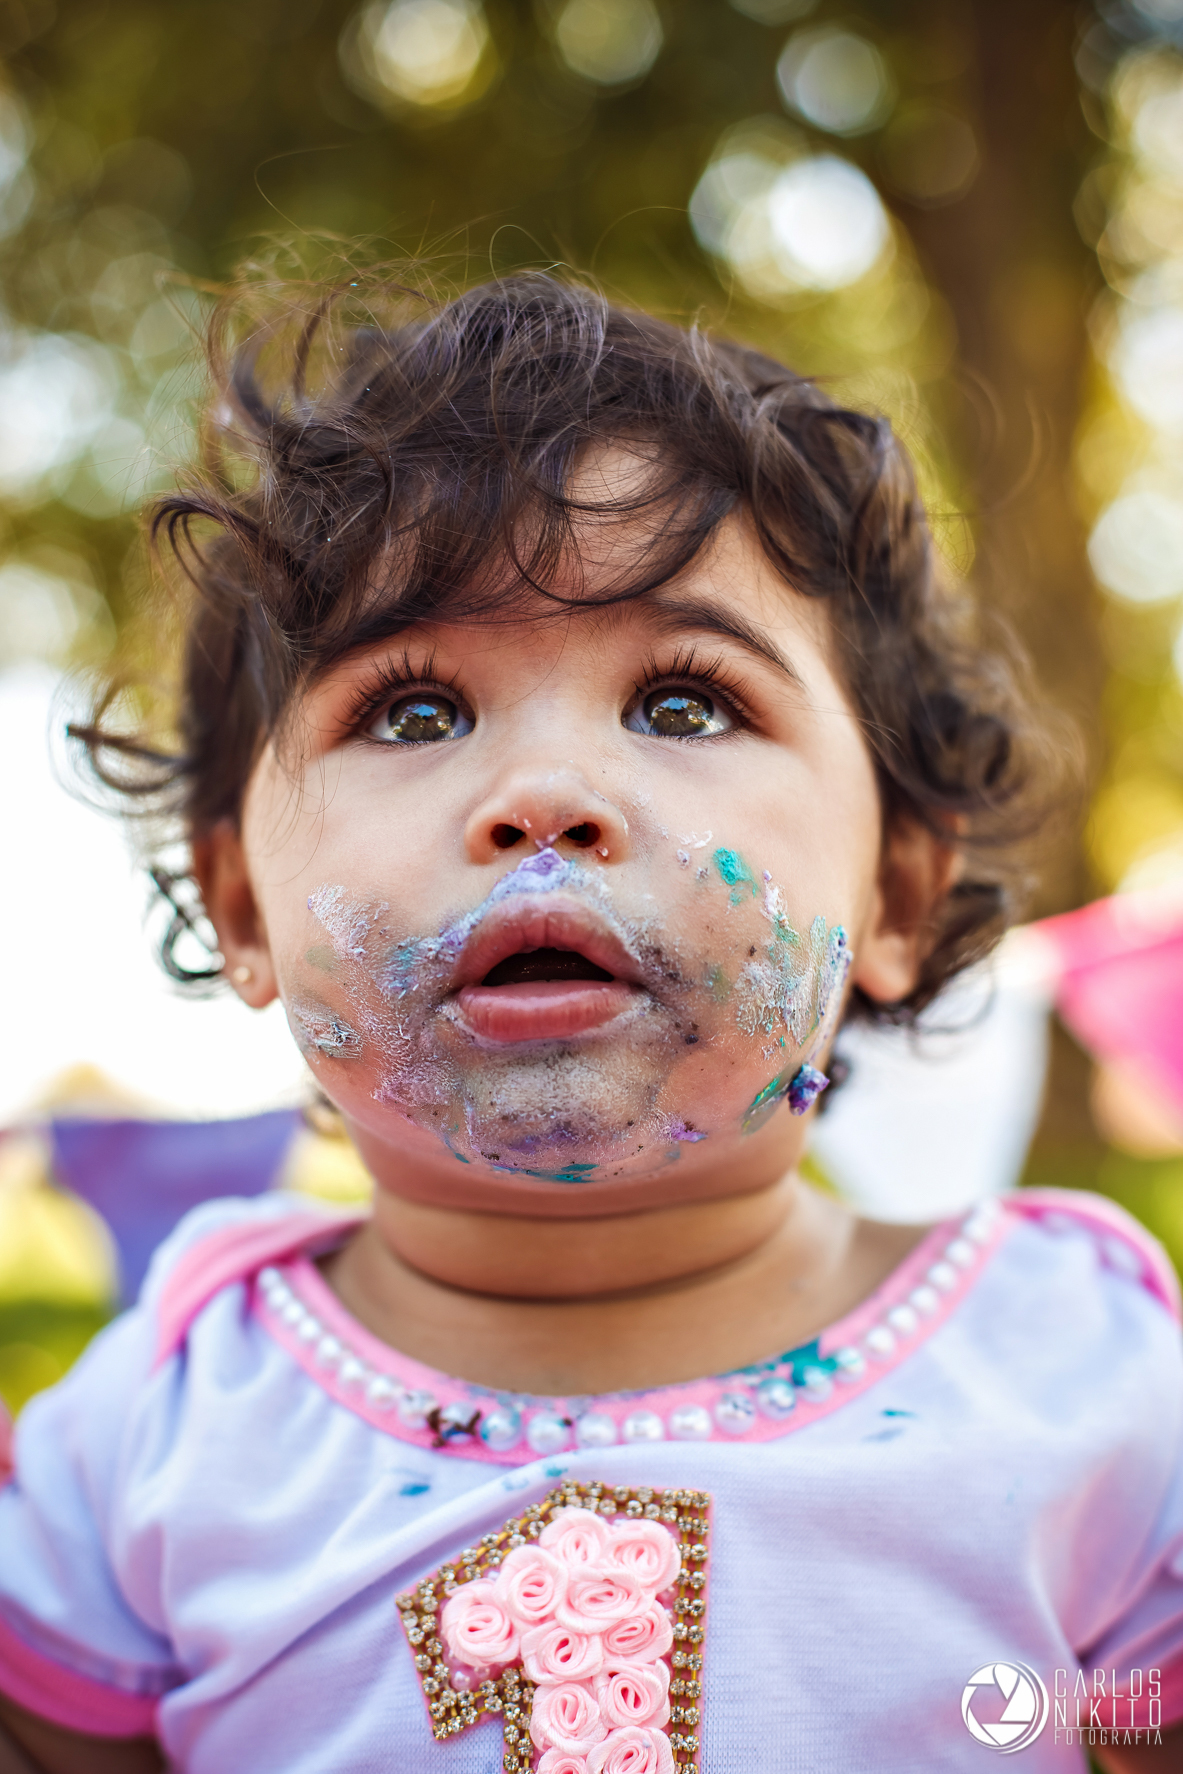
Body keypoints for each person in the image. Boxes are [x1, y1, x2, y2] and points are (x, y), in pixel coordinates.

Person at [0, 270, 1177, 1774]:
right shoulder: (152, 1436)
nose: (543, 796)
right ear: (239, 904)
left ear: (895, 890)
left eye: (683, 702)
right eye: (414, 711)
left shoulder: (1084, 1377)